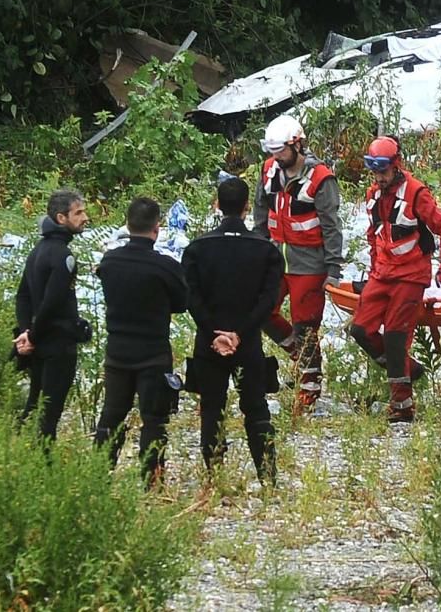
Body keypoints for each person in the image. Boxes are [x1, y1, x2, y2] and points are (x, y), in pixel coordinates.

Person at [348, 136, 441, 424]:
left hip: (410, 275)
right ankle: (409, 368)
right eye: (375, 172)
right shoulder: (374, 194)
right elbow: (375, 235)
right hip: (383, 273)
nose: (379, 178)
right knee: (360, 330)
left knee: (396, 335)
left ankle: (402, 405)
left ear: (396, 166)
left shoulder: (416, 193)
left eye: (383, 172)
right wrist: (374, 269)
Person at [182, 178, 284, 484]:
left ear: (217, 205)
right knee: (256, 409)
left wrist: (216, 332)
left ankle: (214, 476)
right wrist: (240, 333)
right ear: (246, 209)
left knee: (212, 407)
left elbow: (191, 297)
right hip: (249, 342)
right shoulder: (265, 251)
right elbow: (268, 301)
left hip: (208, 343)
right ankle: (267, 477)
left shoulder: (197, 249)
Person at [253, 115, 346, 409]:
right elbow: (260, 212)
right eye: (271, 151)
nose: (275, 157)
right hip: (275, 260)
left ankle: (310, 388)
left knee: (306, 325)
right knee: (261, 312)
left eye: (280, 150)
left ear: (297, 144)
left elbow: (332, 227)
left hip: (309, 264)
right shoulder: (269, 171)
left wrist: (333, 270)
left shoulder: (321, 179)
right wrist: (257, 250)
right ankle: (301, 356)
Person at [95, 198, 188, 487]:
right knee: (154, 420)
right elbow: (182, 303)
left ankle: (98, 474)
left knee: (111, 416)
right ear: (157, 228)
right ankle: (152, 479)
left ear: (128, 224)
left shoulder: (109, 261)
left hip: (118, 351)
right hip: (153, 352)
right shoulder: (165, 266)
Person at [14, 189, 90, 442]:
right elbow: (52, 303)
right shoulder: (63, 256)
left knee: (34, 405)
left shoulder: (38, 250)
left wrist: (26, 332)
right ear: (61, 218)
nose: (85, 217)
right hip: (57, 345)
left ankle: (19, 453)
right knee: (49, 413)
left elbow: (23, 296)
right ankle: (43, 467)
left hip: (39, 342)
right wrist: (32, 335)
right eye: (78, 212)